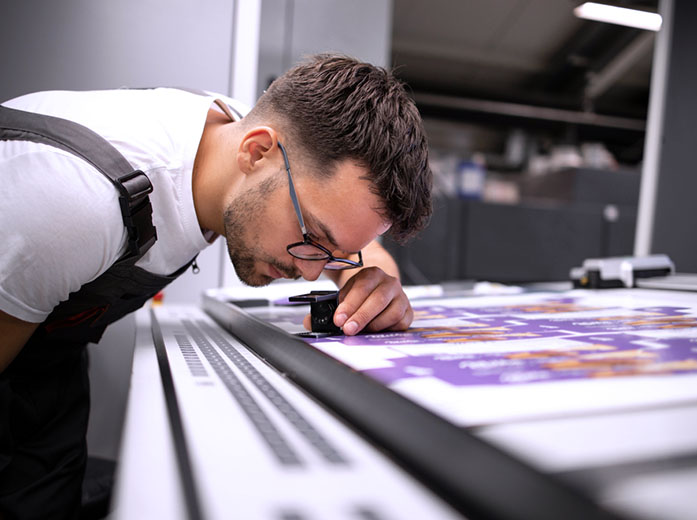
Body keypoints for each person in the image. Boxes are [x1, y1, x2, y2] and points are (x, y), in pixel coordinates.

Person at [0, 54, 431, 518]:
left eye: (333, 252)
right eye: (312, 239)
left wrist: (370, 278)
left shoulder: (237, 138)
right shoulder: (74, 201)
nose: (311, 273)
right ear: (256, 151)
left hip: (46, 362)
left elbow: (354, 241)